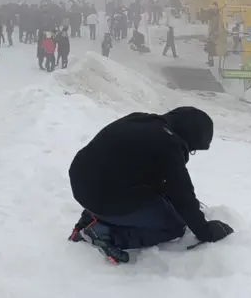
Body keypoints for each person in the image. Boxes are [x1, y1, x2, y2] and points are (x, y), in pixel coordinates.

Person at [67, 107, 233, 264]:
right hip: (103, 195)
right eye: (192, 149)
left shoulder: (141, 121)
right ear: (189, 137)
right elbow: (182, 195)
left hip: (83, 182)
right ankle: (105, 234)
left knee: (150, 192)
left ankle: (87, 221)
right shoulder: (168, 146)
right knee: (174, 226)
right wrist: (206, 232)